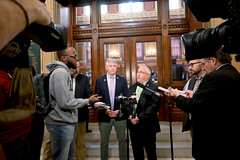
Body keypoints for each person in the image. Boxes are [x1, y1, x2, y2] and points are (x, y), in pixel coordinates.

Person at [165, 48, 240, 159]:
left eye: (204, 64)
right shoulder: (233, 73)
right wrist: (195, 95)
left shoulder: (214, 76)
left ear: (213, 61)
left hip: (212, 139)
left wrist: (177, 96)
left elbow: (194, 106)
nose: (203, 67)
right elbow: (215, 100)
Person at [45, 47, 99, 160]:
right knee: (61, 157)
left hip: (66, 122)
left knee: (68, 156)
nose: (76, 60)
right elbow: (65, 102)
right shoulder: (60, 73)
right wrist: (88, 100)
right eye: (74, 57)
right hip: (60, 123)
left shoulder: (64, 72)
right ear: (64, 58)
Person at [95, 58, 128, 160]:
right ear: (106, 67)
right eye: (110, 66)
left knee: (122, 140)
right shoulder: (99, 81)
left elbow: (126, 98)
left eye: (114, 66)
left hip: (120, 116)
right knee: (104, 142)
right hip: (105, 115)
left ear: (117, 67)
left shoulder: (122, 80)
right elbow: (97, 99)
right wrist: (105, 110)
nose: (113, 68)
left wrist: (119, 110)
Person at [127, 64, 161, 160]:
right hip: (134, 125)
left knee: (150, 152)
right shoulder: (132, 87)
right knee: (137, 152)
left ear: (148, 75)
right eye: (138, 72)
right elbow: (127, 104)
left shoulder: (154, 88)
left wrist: (139, 117)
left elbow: (153, 107)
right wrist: (130, 116)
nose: (138, 74)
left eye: (141, 72)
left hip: (148, 125)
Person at [70, 60, 92, 160]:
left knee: (80, 142)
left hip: (80, 114)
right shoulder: (64, 78)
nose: (77, 69)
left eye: (78, 67)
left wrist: (93, 101)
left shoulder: (84, 79)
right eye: (75, 67)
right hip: (66, 115)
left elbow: (88, 94)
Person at [182, 59, 206, 133]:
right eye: (189, 65)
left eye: (192, 65)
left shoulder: (210, 79)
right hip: (192, 120)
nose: (189, 68)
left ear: (202, 64)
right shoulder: (191, 80)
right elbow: (184, 96)